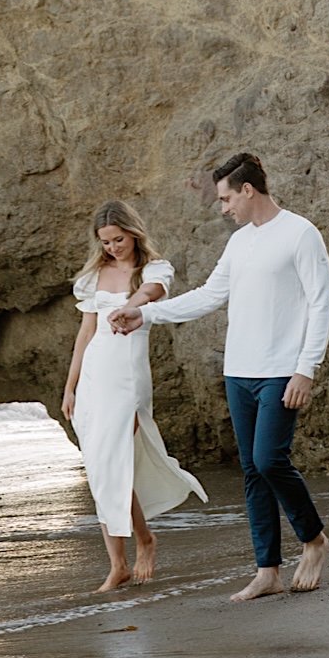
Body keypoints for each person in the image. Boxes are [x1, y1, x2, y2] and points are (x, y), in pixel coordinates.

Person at [111, 152, 329, 603]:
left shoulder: (300, 234)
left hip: (281, 372)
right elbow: (210, 295)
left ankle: (313, 541)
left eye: (227, 198)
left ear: (248, 190)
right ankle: (267, 569)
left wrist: (305, 369)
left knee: (271, 460)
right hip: (239, 372)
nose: (224, 208)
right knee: (252, 470)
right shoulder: (239, 243)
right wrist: (144, 313)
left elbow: (320, 304)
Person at [62, 200, 208, 592]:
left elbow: (152, 292)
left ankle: (144, 540)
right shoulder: (94, 276)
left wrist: (129, 306)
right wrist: (71, 386)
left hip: (127, 376)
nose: (113, 248)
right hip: (94, 375)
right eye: (106, 242)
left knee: (114, 460)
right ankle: (118, 564)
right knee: (99, 467)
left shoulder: (153, 269)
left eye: (118, 239)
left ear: (133, 232)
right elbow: (85, 334)